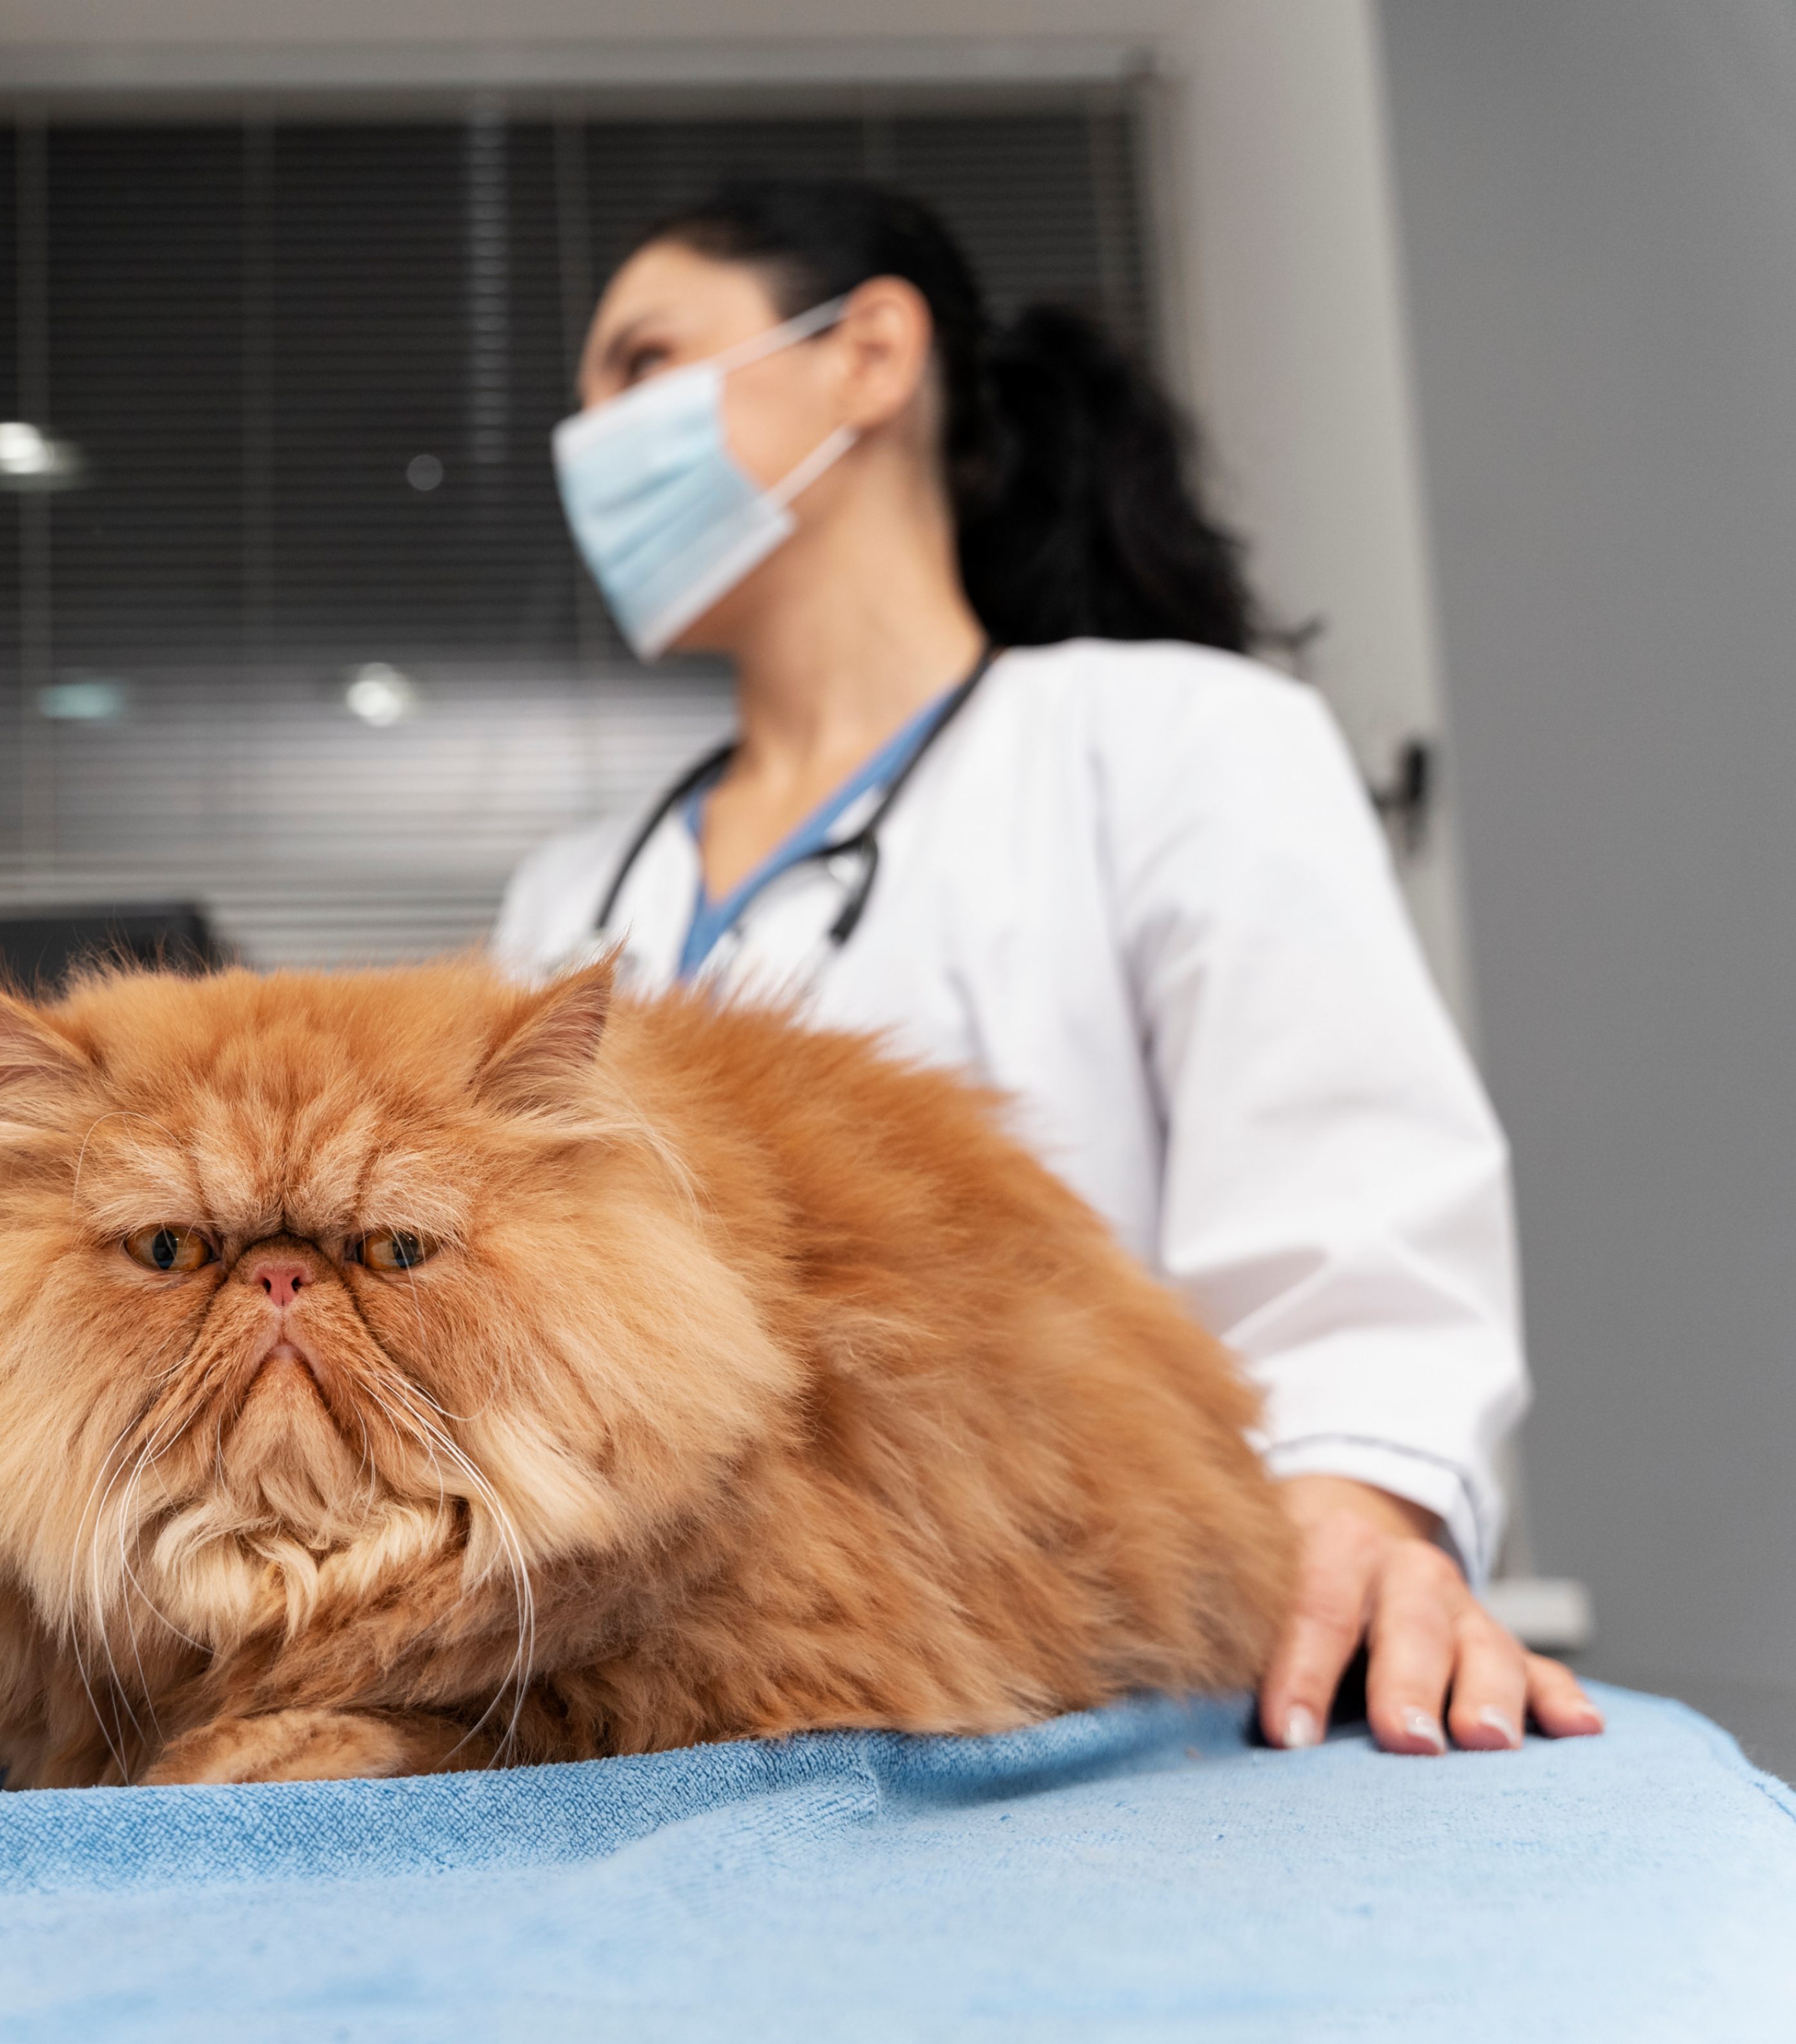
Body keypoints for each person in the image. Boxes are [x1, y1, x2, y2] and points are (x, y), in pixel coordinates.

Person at [496, 177, 1600, 1758]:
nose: (587, 438)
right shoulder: (573, 894)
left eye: (641, 364)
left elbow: (1354, 1223)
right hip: (659, 1688)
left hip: (1063, 1658)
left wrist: (1361, 1515)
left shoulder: (1165, 744)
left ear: (870, 355)